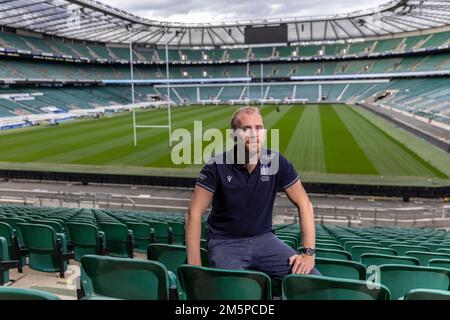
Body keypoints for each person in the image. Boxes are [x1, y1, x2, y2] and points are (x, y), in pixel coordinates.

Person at [186, 106, 319, 280]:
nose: (254, 134)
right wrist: (195, 267)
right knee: (231, 291)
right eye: (245, 129)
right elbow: (193, 213)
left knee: (310, 280)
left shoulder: (276, 161)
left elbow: (305, 204)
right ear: (234, 135)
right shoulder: (216, 165)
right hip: (226, 242)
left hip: (264, 240)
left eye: (258, 128)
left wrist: (308, 253)